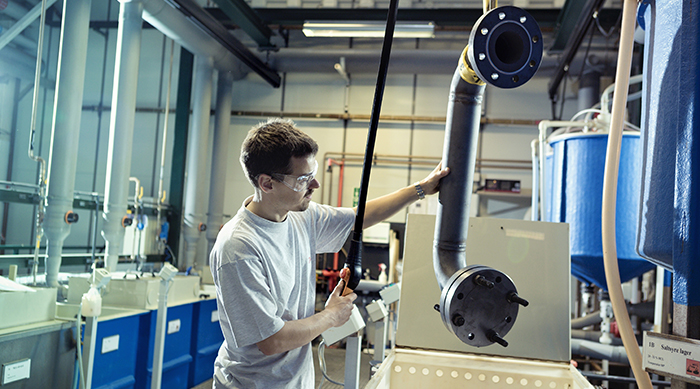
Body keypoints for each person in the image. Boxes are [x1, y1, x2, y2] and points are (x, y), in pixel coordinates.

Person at [209, 118, 449, 388]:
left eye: (313, 174)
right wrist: (330, 315)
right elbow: (271, 340)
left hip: (295, 382)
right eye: (303, 179)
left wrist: (421, 189)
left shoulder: (300, 216)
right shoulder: (239, 247)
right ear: (266, 184)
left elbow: (359, 217)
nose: (315, 186)